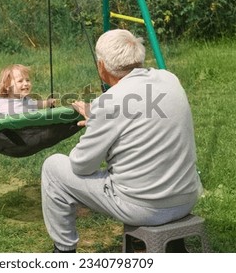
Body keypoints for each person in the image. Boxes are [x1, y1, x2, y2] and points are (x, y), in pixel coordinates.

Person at [41, 29, 203, 253]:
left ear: (101, 66)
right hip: (187, 198)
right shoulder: (169, 79)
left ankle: (64, 252)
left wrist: (97, 119)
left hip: (144, 207)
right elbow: (142, 116)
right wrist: (97, 119)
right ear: (139, 57)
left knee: (52, 167)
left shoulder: (109, 103)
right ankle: (172, 245)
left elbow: (82, 165)